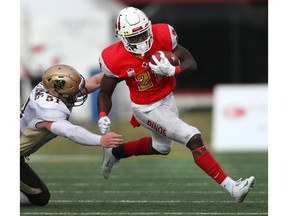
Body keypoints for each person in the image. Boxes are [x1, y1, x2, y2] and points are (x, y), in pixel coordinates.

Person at [95, 7, 256, 203]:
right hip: (146, 108)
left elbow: (191, 63)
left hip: (167, 99)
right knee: (193, 137)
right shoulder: (114, 57)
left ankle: (115, 152)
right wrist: (103, 114)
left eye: (143, 34)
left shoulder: (163, 35)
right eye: (134, 37)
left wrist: (174, 70)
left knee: (161, 147)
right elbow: (105, 91)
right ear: (121, 37)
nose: (140, 40)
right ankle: (233, 187)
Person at [20, 64, 123, 206]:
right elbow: (70, 131)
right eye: (72, 93)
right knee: (40, 198)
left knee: (39, 196)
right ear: (56, 93)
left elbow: (96, 81)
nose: (77, 95)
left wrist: (126, 72)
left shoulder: (51, 88)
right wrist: (100, 140)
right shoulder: (47, 109)